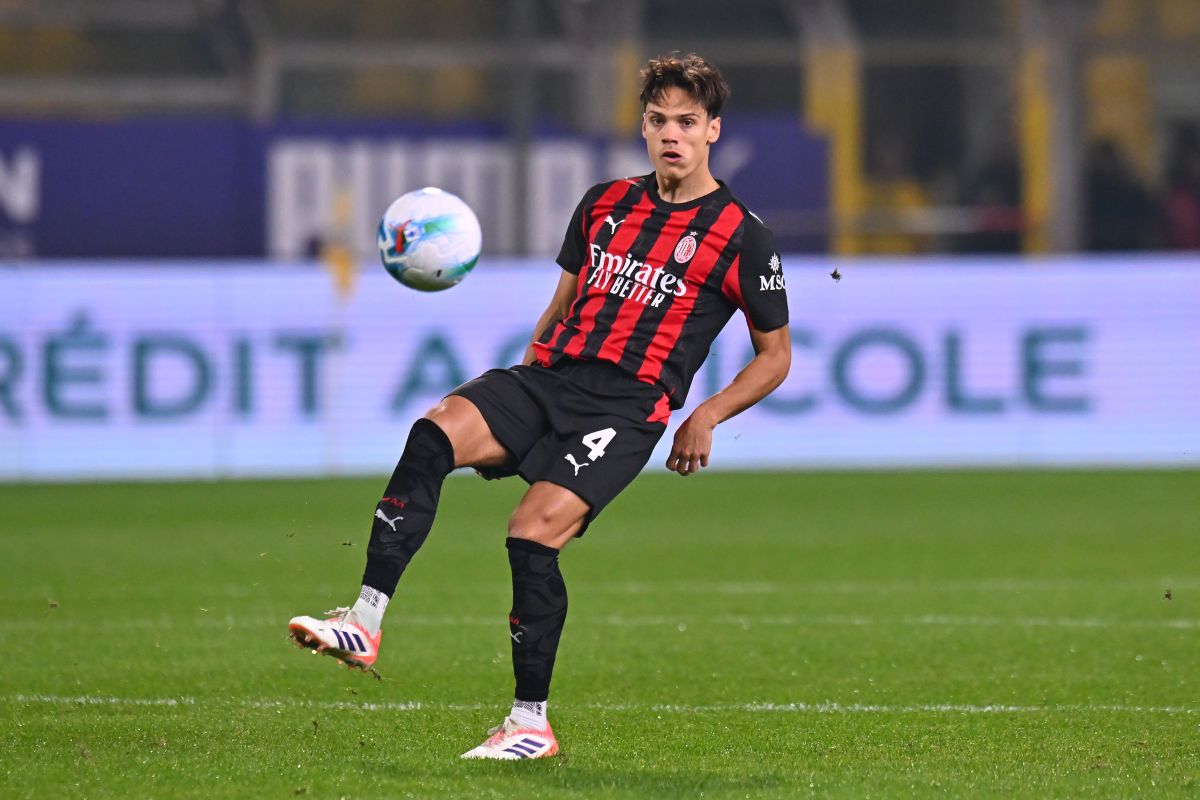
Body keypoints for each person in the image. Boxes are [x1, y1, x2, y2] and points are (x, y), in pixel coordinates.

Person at [287, 52, 792, 760]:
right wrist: (523, 382)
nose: (670, 134)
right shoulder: (604, 203)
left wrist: (704, 415)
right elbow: (561, 305)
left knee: (530, 538)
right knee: (433, 433)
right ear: (643, 128)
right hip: (550, 380)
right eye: (657, 121)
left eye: (686, 122)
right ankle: (364, 621)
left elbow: (776, 355)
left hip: (624, 409)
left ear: (712, 130)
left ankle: (529, 724)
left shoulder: (743, 236)